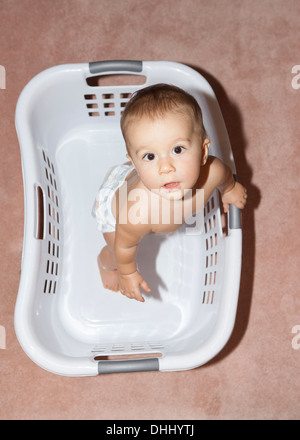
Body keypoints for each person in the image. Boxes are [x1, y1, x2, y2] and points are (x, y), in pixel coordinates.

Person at [93, 84, 247, 302]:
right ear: (134, 163)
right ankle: (103, 263)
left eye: (177, 150)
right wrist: (127, 272)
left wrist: (229, 189)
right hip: (115, 212)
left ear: (203, 152)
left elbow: (224, 178)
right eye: (149, 156)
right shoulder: (136, 212)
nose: (165, 168)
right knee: (115, 251)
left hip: (147, 207)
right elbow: (125, 245)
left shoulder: (213, 171)